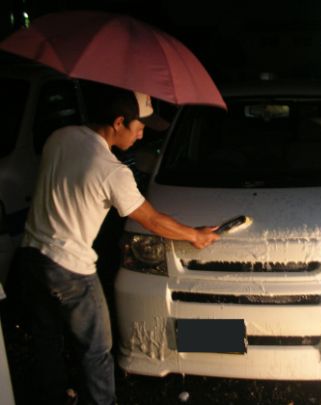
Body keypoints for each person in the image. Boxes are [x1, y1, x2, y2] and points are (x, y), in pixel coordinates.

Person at [18, 84, 220, 405]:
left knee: (46, 339)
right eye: (138, 128)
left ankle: (54, 396)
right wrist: (195, 235)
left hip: (31, 257)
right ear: (118, 123)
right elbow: (152, 220)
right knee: (97, 348)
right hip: (70, 269)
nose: (141, 136)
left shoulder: (61, 136)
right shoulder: (112, 171)